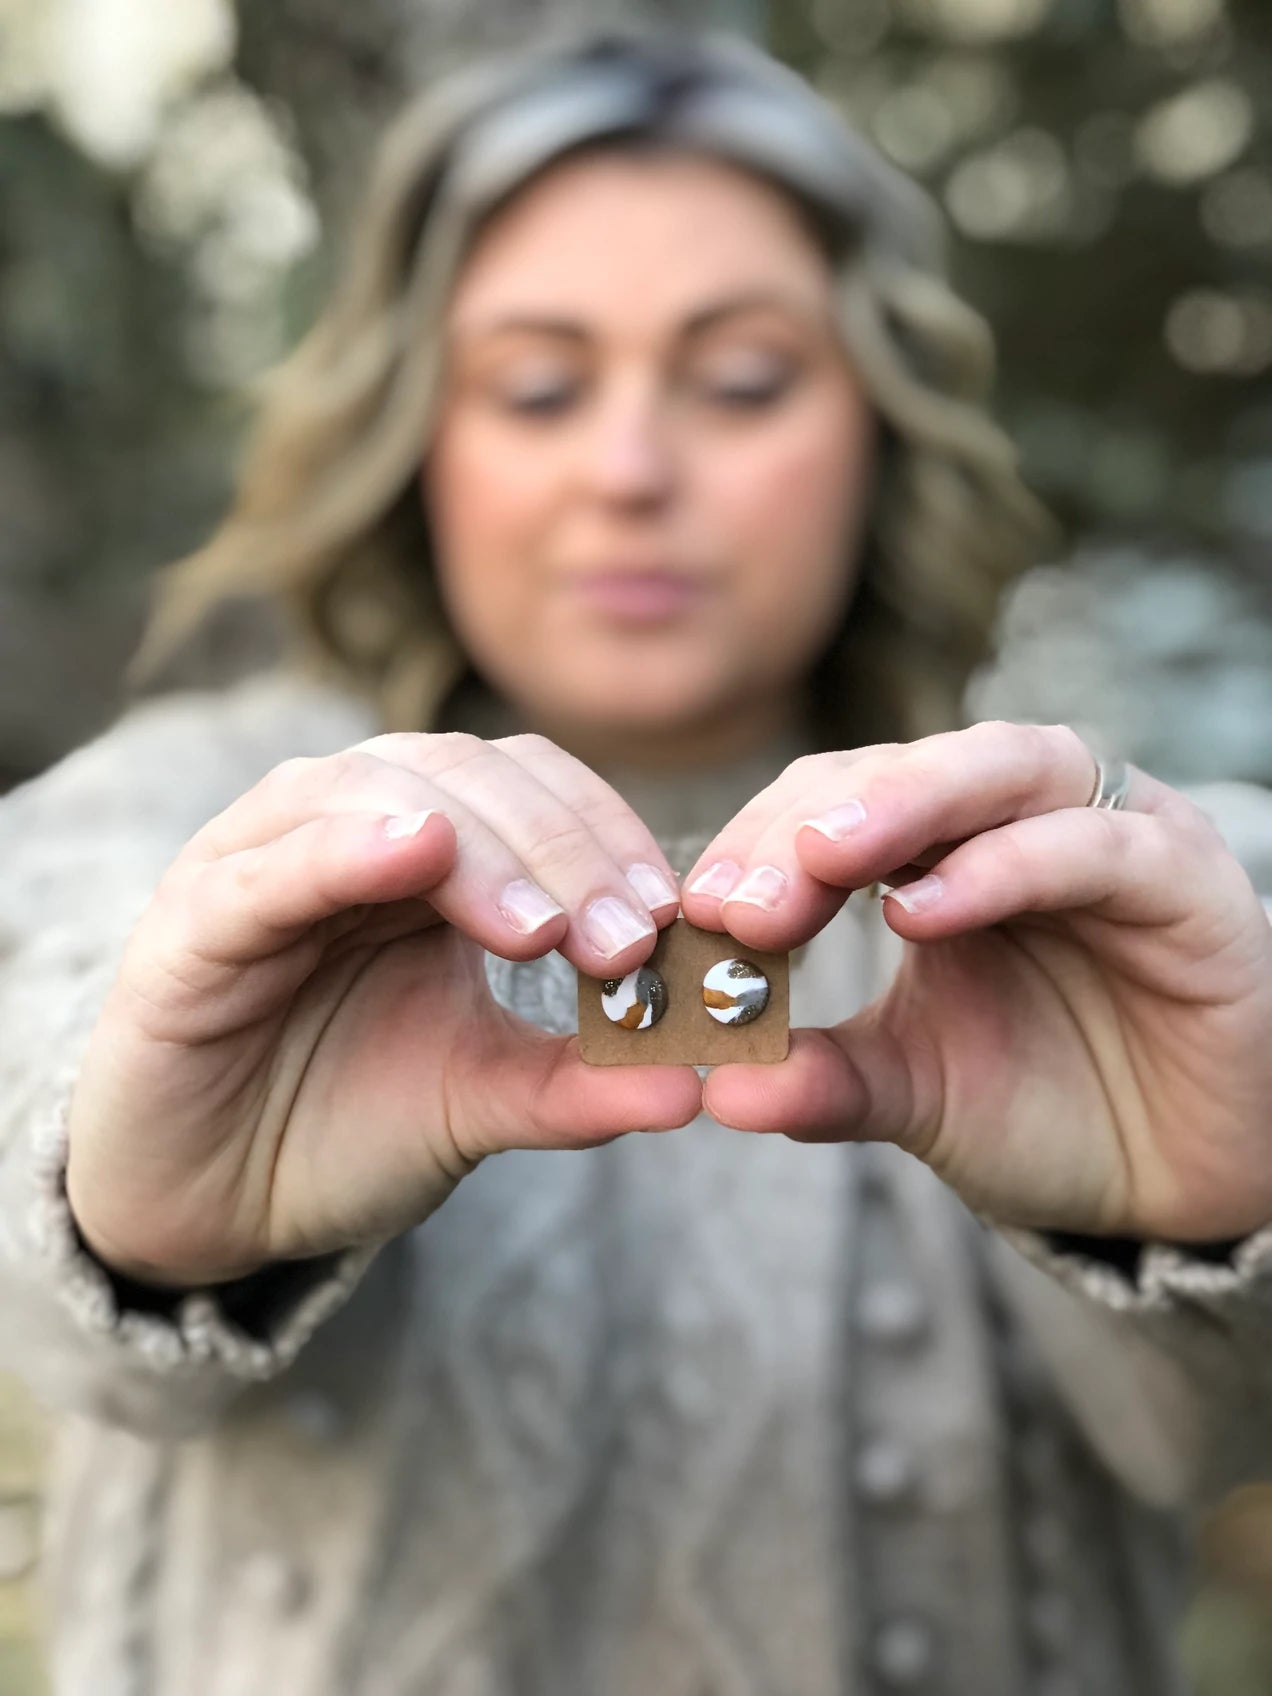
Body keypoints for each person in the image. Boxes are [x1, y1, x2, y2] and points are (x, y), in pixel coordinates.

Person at [2, 18, 1271, 1695]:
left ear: (880, 423)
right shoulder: (178, 805)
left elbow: (1215, 1420)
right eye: (537, 384)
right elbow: (49, 1011)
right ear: (419, 435)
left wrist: (1221, 1204)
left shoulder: (1111, 870)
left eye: (741, 378)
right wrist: (132, 1201)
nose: (631, 470)